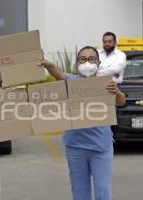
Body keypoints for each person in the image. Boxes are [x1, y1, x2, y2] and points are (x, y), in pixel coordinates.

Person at [38, 46, 126, 200]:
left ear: (98, 63)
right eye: (83, 59)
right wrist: (47, 64)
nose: (87, 63)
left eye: (91, 59)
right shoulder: (72, 82)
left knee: (103, 190)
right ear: (77, 63)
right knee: (80, 190)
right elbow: (59, 74)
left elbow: (120, 101)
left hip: (101, 147)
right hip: (76, 147)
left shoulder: (106, 83)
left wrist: (117, 92)